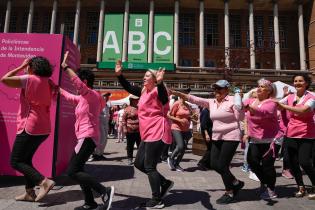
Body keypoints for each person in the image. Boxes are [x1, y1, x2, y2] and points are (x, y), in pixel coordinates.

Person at [171, 80, 245, 204]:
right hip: (217, 136)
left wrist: (239, 106)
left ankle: (230, 192)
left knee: (222, 165)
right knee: (213, 163)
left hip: (231, 136)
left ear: (227, 89)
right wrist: (177, 93)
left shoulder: (233, 99)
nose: (216, 91)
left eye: (219, 89)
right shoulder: (212, 102)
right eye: (215, 89)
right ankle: (236, 183)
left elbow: (240, 118)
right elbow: (195, 99)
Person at [58, 52, 114, 210]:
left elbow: (78, 86)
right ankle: (90, 203)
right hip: (84, 137)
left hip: (87, 137)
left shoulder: (93, 95)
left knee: (72, 171)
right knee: (79, 170)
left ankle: (104, 191)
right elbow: (70, 97)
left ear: (84, 81)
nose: (77, 86)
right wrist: (56, 88)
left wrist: (66, 68)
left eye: (80, 82)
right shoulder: (84, 98)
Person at [115, 60, 174, 209]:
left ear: (154, 79)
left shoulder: (159, 90)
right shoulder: (143, 91)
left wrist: (160, 83)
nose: (144, 77)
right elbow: (128, 86)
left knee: (149, 166)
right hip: (147, 133)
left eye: (148, 75)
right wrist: (119, 75)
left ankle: (157, 200)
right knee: (139, 164)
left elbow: (164, 99)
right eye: (144, 75)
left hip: (158, 131)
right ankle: (164, 183)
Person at [1, 57, 55, 202]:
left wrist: (20, 66)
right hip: (43, 128)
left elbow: (4, 79)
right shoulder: (48, 82)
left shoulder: (29, 79)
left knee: (15, 161)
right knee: (26, 160)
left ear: (31, 67)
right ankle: (29, 193)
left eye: (27, 66)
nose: (25, 68)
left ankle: (44, 182)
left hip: (30, 126)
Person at [276, 74, 315, 199]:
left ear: (306, 83)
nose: (297, 83)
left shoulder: (312, 97)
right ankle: (301, 187)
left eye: (300, 81)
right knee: (292, 163)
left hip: (306, 134)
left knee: (305, 162)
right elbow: (277, 105)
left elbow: (304, 110)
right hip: (291, 133)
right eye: (295, 81)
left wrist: (284, 106)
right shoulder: (290, 97)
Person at [243, 78, 283, 199]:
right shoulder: (251, 100)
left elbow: (264, 112)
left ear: (269, 91)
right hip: (255, 138)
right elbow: (242, 113)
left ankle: (271, 189)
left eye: (263, 87)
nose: (259, 88)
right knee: (252, 162)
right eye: (258, 86)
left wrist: (249, 108)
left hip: (271, 139)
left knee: (267, 165)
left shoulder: (272, 102)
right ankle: (266, 182)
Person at [167, 96, 193, 172]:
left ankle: (177, 164)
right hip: (176, 128)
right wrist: (179, 120)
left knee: (184, 147)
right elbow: (169, 115)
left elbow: (188, 116)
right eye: (186, 95)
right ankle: (171, 158)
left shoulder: (187, 105)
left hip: (186, 129)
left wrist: (192, 117)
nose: (188, 96)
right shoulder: (176, 104)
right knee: (180, 146)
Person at [89, 92, 111, 161]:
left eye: (108, 96)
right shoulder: (98, 104)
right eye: (105, 96)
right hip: (100, 123)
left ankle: (100, 154)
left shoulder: (107, 105)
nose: (107, 98)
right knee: (100, 140)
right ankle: (95, 154)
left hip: (105, 124)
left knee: (104, 140)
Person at [122, 95, 141, 165]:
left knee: (140, 145)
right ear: (131, 100)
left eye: (137, 99)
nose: (137, 101)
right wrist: (124, 128)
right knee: (130, 145)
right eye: (135, 99)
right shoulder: (127, 109)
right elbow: (123, 119)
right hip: (130, 130)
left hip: (139, 130)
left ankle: (139, 159)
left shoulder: (139, 108)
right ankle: (130, 158)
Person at [197, 107, 213, 171]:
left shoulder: (208, 111)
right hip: (207, 133)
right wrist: (206, 134)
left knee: (210, 148)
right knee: (210, 148)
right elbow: (203, 124)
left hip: (209, 132)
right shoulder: (206, 111)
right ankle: (202, 162)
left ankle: (207, 164)